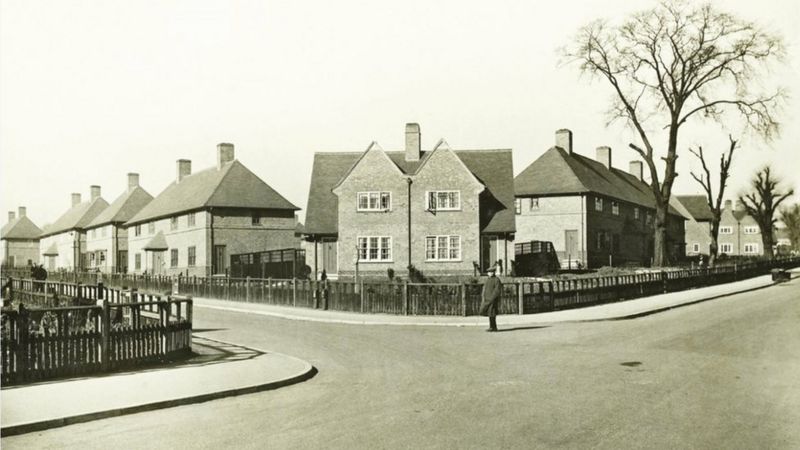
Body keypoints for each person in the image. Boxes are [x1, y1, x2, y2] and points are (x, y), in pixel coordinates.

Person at [479, 265, 502, 332]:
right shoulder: (488, 280)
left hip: (492, 300)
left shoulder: (496, 280)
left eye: (491, 272)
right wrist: (484, 296)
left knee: (492, 313)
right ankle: (491, 326)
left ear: (493, 272)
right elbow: (485, 288)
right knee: (489, 313)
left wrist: (492, 298)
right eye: (489, 272)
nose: (489, 273)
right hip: (487, 299)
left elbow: (497, 290)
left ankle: (494, 327)